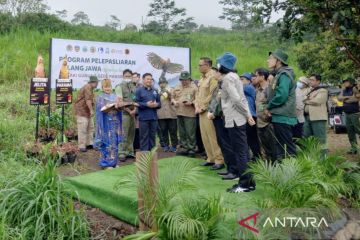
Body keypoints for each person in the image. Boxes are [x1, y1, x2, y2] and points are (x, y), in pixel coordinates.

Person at [217, 52, 256, 193]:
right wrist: (248, 114)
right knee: (243, 151)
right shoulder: (234, 77)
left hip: (234, 119)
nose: (218, 65)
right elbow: (242, 98)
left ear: (223, 65)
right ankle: (250, 182)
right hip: (238, 118)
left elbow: (236, 99)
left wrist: (247, 114)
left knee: (240, 153)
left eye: (219, 63)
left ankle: (244, 184)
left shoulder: (227, 78)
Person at [265, 49, 297, 160]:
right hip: (279, 115)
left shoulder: (284, 75)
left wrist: (269, 106)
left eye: (270, 58)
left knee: (287, 147)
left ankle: (295, 174)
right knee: (281, 146)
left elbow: (281, 96)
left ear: (278, 61)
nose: (267, 60)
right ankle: (285, 173)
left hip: (283, 116)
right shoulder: (278, 74)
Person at [207, 68, 239, 180]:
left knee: (228, 144)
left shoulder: (226, 84)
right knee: (223, 144)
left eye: (216, 71)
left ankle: (234, 171)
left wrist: (214, 113)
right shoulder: (218, 84)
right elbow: (214, 101)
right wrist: (211, 111)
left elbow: (222, 102)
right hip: (218, 117)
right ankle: (230, 168)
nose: (214, 73)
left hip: (223, 117)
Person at [195, 57, 224, 170]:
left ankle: (219, 160)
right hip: (200, 111)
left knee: (212, 136)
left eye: (200, 65)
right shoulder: (202, 79)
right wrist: (197, 105)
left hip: (209, 111)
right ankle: (210, 158)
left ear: (207, 65)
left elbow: (213, 95)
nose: (199, 67)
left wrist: (202, 107)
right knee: (205, 136)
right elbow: (197, 95)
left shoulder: (213, 77)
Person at [95, 79, 123, 169]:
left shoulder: (115, 96)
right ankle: (105, 164)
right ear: (102, 88)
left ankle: (114, 163)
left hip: (115, 122)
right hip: (105, 123)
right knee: (106, 143)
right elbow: (100, 111)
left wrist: (119, 107)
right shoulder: (100, 97)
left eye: (109, 86)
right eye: (105, 87)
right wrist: (107, 107)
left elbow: (119, 109)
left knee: (114, 143)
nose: (108, 88)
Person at [172, 71, 198, 158]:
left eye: (185, 80)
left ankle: (191, 149)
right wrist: (174, 101)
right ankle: (184, 148)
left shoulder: (194, 88)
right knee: (182, 132)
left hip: (190, 114)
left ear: (189, 79)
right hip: (179, 113)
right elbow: (173, 97)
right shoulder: (177, 87)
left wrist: (191, 103)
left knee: (190, 133)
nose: (184, 81)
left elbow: (198, 100)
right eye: (182, 80)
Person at [254, 68, 277, 162]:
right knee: (264, 148)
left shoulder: (270, 89)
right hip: (259, 122)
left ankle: (275, 168)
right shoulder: (258, 90)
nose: (254, 78)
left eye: (256, 75)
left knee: (273, 147)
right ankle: (267, 170)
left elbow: (273, 104)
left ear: (262, 76)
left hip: (268, 123)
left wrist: (268, 116)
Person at [303, 74, 329, 156]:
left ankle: (323, 159)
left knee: (320, 139)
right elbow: (301, 98)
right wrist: (309, 98)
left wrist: (307, 100)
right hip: (306, 117)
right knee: (306, 138)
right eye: (309, 79)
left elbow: (317, 101)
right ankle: (311, 158)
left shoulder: (323, 90)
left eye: (312, 80)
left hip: (318, 118)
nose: (310, 81)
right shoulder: (307, 90)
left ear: (318, 81)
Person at [135, 73, 161, 151]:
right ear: (143, 80)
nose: (149, 81)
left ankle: (152, 155)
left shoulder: (155, 91)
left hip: (154, 118)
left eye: (150, 79)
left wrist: (156, 105)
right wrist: (146, 104)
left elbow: (160, 104)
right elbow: (136, 103)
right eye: (147, 79)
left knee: (152, 136)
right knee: (144, 137)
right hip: (143, 118)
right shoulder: (139, 90)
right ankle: (144, 155)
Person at [115, 69, 137, 161]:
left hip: (133, 114)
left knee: (131, 133)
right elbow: (120, 102)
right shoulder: (119, 87)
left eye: (129, 76)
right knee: (123, 133)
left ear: (132, 77)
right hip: (124, 113)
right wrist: (129, 110)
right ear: (123, 76)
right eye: (126, 76)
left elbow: (136, 100)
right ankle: (122, 152)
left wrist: (135, 110)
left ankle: (130, 151)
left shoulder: (133, 86)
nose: (128, 78)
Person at [240, 72, 262, 160]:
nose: (240, 81)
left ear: (249, 81)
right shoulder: (245, 88)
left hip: (251, 116)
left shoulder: (249, 87)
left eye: (242, 79)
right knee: (247, 139)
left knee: (252, 139)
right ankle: (252, 156)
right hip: (246, 116)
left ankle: (257, 157)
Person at [74, 76, 99, 152]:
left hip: (86, 111)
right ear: (93, 82)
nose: (97, 84)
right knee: (83, 128)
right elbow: (88, 100)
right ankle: (81, 146)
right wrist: (91, 110)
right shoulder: (88, 87)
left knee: (90, 127)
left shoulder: (90, 88)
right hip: (82, 111)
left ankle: (89, 143)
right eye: (97, 83)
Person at [338, 77, 360, 154]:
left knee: (358, 129)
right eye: (344, 82)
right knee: (350, 132)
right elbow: (339, 98)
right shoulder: (343, 90)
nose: (345, 83)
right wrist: (347, 97)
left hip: (354, 113)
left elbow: (357, 98)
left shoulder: (354, 88)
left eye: (346, 82)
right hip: (347, 113)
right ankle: (354, 149)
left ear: (350, 82)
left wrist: (345, 100)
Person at [157, 77, 178, 152]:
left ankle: (174, 146)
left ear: (166, 83)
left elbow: (173, 98)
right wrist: (159, 94)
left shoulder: (171, 89)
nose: (162, 84)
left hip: (171, 114)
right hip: (161, 114)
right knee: (163, 131)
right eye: (161, 83)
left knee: (173, 131)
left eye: (164, 83)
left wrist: (167, 92)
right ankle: (166, 145)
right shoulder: (157, 91)